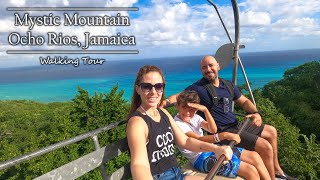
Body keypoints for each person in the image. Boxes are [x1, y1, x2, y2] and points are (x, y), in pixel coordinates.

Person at [162, 55, 297, 180]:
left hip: (235, 124)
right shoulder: (199, 87)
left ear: (218, 66)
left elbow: (244, 101)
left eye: (211, 65)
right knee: (264, 146)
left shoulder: (227, 85)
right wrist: (164, 103)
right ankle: (273, 176)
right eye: (204, 67)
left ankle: (277, 170)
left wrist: (256, 113)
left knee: (271, 131)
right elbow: (179, 97)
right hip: (224, 131)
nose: (208, 69)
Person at [126, 65, 233, 180]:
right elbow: (139, 164)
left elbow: (185, 141)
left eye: (158, 86)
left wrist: (216, 149)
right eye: (146, 87)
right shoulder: (137, 123)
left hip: (177, 174)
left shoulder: (162, 112)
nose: (153, 92)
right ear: (138, 89)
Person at [174, 90, 271, 180]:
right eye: (184, 107)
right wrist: (224, 135)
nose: (187, 112)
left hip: (212, 148)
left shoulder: (195, 117)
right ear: (177, 106)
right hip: (200, 158)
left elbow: (213, 129)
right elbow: (199, 140)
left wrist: (206, 111)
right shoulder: (178, 124)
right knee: (250, 170)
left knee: (254, 156)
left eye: (192, 109)